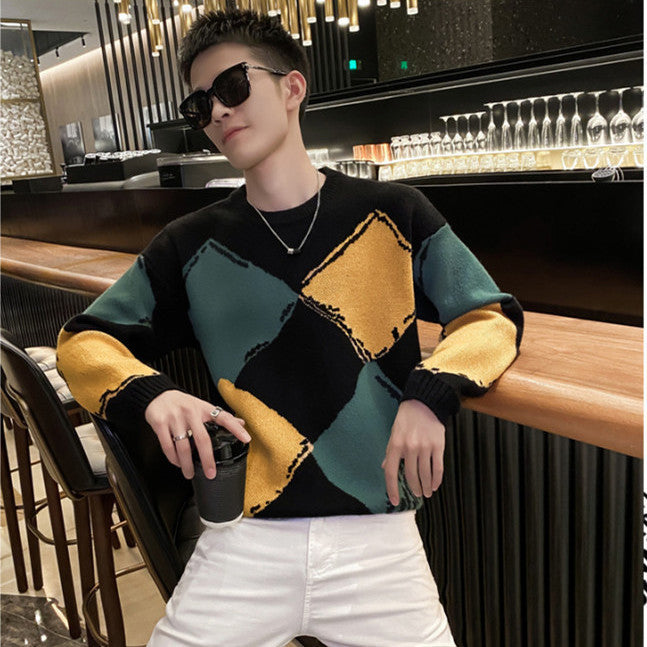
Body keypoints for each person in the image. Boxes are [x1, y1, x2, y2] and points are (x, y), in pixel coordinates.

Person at [57, 9, 523, 647]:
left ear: (292, 88)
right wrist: (152, 394)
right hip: (244, 534)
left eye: (233, 86)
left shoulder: (394, 213)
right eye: (200, 104)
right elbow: (83, 340)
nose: (218, 112)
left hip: (378, 538)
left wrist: (431, 391)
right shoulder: (191, 245)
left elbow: (489, 315)